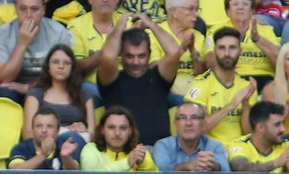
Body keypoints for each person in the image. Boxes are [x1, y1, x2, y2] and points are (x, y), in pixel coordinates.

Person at [99, 13, 183, 146]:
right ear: (121, 54)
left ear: (149, 54)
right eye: (130, 56)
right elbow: (107, 56)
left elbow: (174, 51)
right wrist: (120, 25)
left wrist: (150, 24)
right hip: (123, 152)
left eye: (141, 56)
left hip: (160, 152)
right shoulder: (112, 80)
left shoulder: (158, 77)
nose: (136, 62)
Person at [0, 0, 74, 102]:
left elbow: (63, 76)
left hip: (47, 87)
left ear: (43, 10)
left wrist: (28, 87)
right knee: (4, 90)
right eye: (23, 9)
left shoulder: (58, 32)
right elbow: (4, 78)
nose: (28, 15)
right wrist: (22, 45)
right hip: (13, 87)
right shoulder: (1, 33)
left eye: (34, 9)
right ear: (16, 10)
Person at [187, 27, 258, 143]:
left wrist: (245, 104)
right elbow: (197, 127)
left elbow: (249, 133)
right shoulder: (201, 83)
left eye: (232, 48)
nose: (227, 53)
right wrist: (230, 106)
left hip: (238, 150)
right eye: (221, 48)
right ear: (214, 51)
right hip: (210, 149)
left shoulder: (247, 86)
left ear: (240, 51)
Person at [22, 44, 95, 153]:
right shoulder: (35, 95)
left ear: (72, 68)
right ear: (48, 67)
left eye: (66, 63)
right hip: (44, 147)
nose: (61, 66)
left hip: (77, 145)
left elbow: (94, 136)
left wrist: (84, 129)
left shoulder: (85, 96)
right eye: (56, 62)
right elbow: (27, 134)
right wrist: (62, 132)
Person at [206, 0, 280, 94]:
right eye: (235, 4)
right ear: (228, 11)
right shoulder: (216, 30)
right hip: (232, 78)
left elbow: (280, 61)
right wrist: (234, 44)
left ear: (252, 10)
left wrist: (258, 39)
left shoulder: (266, 30)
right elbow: (210, 63)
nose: (240, 7)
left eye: (245, 4)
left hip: (265, 80)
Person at [147, 0, 208, 95]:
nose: (196, 14)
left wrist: (193, 53)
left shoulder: (198, 36)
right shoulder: (156, 34)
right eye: (191, 9)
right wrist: (180, 50)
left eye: (197, 9)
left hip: (195, 93)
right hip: (163, 91)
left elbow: (202, 75)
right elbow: (153, 71)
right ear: (174, 11)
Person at [68, 0, 125, 100]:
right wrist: (109, 50)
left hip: (124, 86)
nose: (105, 0)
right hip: (91, 89)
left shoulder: (127, 22)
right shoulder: (76, 25)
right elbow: (75, 69)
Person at [154, 101, 232, 170]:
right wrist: (189, 166)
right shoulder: (163, 145)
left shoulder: (214, 146)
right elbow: (163, 170)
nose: (188, 123)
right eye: (182, 118)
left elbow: (226, 172)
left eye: (194, 118)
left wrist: (215, 166)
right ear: (175, 124)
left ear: (203, 124)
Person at [78, 105, 160, 170]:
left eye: (123, 128)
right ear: (102, 129)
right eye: (111, 127)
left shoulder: (138, 151)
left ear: (130, 131)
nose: (117, 133)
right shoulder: (91, 148)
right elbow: (91, 173)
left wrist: (143, 164)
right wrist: (127, 163)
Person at [227, 99, 289, 170]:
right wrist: (275, 163)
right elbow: (241, 169)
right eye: (277, 125)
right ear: (260, 127)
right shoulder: (240, 144)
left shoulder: (287, 147)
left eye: (282, 123)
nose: (283, 129)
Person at [7, 107, 81, 168]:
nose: (44, 130)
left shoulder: (64, 147)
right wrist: (43, 155)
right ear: (32, 129)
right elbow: (15, 171)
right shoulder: (21, 148)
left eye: (49, 126)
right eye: (39, 126)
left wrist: (65, 157)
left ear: (57, 131)